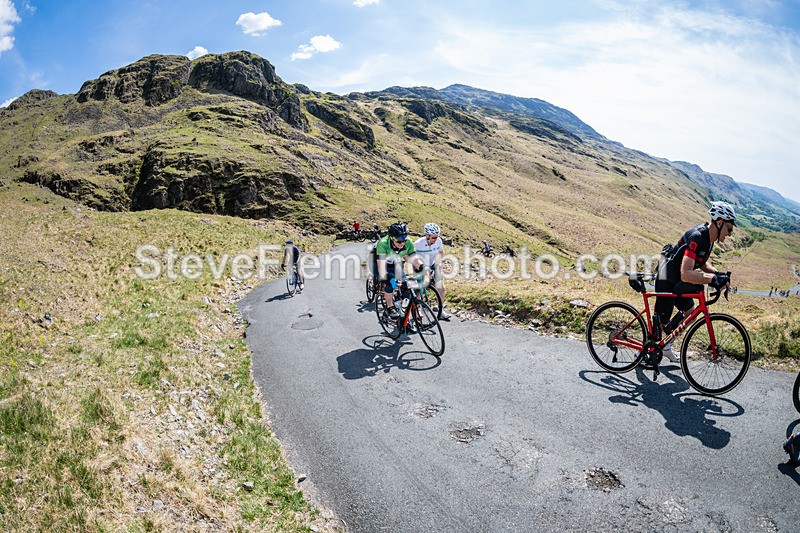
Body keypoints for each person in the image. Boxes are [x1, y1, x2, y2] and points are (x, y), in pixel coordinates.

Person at [654, 201, 735, 362]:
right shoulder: (697, 237)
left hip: (676, 278)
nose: (730, 234)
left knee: (690, 310)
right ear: (720, 223)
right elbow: (686, 273)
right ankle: (643, 352)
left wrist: (718, 274)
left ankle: (666, 345)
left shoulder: (710, 239)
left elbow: (701, 263)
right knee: (660, 324)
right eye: (729, 229)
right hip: (666, 277)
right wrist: (712, 279)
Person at [375, 222, 422, 319]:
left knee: (405, 287)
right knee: (390, 283)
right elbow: (382, 269)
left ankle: (403, 315)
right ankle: (389, 307)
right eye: (399, 241)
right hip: (380, 264)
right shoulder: (383, 244)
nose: (402, 243)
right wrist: (392, 279)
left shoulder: (408, 242)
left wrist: (423, 268)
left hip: (395, 263)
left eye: (404, 240)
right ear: (391, 238)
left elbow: (414, 259)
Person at [413, 223, 451, 320]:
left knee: (441, 288)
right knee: (419, 290)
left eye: (437, 237)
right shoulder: (418, 244)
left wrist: (437, 267)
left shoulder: (438, 241)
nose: (436, 239)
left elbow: (440, 254)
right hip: (420, 267)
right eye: (433, 237)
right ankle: (418, 310)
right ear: (427, 235)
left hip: (433, 265)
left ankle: (440, 310)